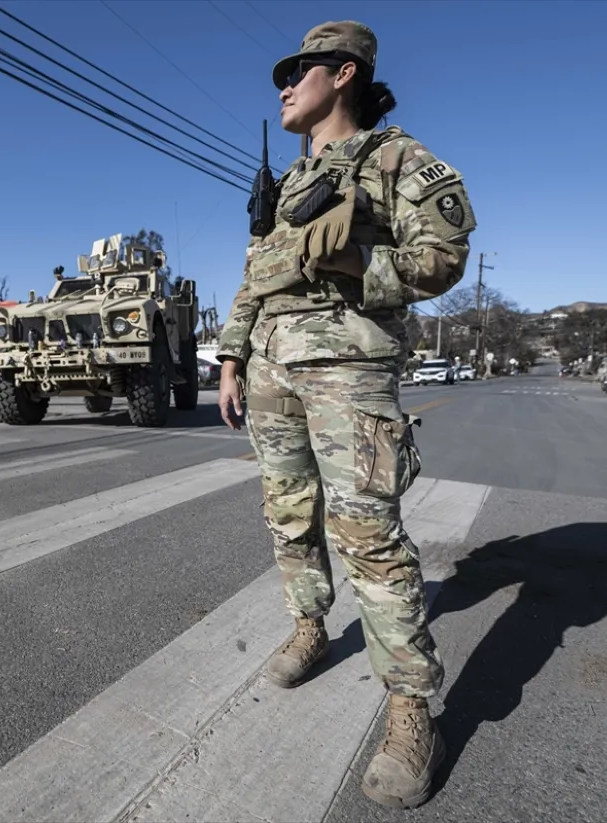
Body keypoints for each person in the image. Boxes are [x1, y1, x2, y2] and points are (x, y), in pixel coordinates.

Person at [214, 20, 476, 810]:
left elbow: (442, 256)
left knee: (368, 534)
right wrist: (230, 355)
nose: (284, 87)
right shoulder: (293, 181)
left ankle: (408, 709)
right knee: (287, 513)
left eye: (296, 72)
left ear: (343, 72)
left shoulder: (397, 158)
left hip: (346, 366)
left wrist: (356, 257)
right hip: (269, 367)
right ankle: (308, 626)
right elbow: (255, 273)